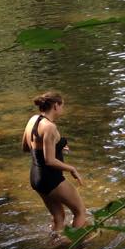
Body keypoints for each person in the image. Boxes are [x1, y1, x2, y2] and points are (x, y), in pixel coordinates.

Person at [20, 91, 89, 233]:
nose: (63, 109)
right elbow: (49, 161)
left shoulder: (33, 120)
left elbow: (26, 147)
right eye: (62, 105)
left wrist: (57, 148)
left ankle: (55, 246)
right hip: (51, 178)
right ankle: (77, 247)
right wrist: (72, 169)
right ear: (56, 106)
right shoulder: (50, 127)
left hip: (35, 178)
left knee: (58, 216)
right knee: (80, 211)